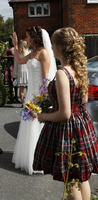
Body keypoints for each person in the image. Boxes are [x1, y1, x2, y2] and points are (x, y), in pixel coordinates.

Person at [33, 27, 98, 200]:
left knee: (70, 178)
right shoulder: (79, 69)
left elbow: (65, 113)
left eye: (53, 44)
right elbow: (83, 100)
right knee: (82, 176)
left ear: (60, 47)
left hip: (68, 130)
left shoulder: (63, 74)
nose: (51, 48)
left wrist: (43, 116)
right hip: (82, 124)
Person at [11, 26, 57, 174]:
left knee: (38, 126)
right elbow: (18, 60)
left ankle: (41, 160)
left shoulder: (44, 53)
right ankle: (29, 158)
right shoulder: (33, 53)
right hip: (30, 93)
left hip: (38, 95)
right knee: (28, 126)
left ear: (34, 37)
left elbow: (46, 79)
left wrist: (42, 100)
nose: (26, 39)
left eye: (27, 37)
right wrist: (15, 45)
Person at [13, 39, 30, 107]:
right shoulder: (29, 52)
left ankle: (23, 103)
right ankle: (28, 102)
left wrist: (15, 74)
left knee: (21, 89)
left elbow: (15, 64)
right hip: (27, 72)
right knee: (28, 89)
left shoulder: (17, 53)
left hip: (20, 72)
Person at [1, 38, 18, 103]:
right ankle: (11, 96)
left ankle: (16, 96)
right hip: (10, 65)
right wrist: (10, 56)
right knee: (10, 82)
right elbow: (2, 56)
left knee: (16, 81)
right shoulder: (8, 48)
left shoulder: (17, 48)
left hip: (16, 65)